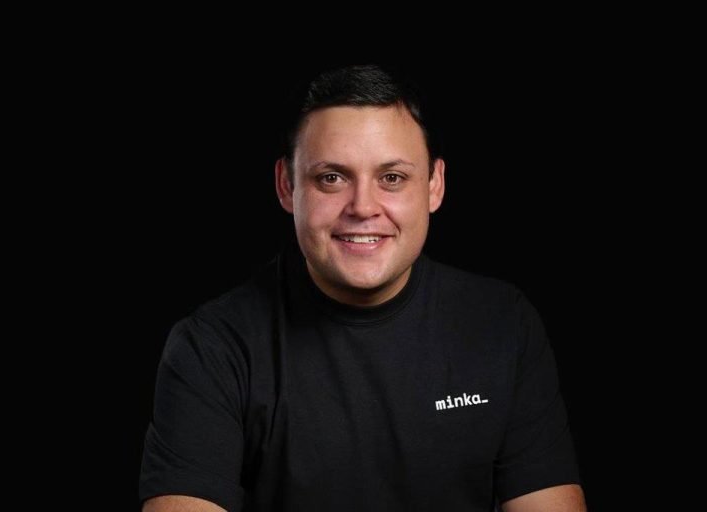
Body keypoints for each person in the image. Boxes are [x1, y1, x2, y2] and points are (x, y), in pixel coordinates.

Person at [139, 64, 586, 511]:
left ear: (435, 186)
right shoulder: (213, 348)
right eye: (331, 178)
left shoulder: (503, 324)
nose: (363, 207)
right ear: (286, 186)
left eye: (392, 178)